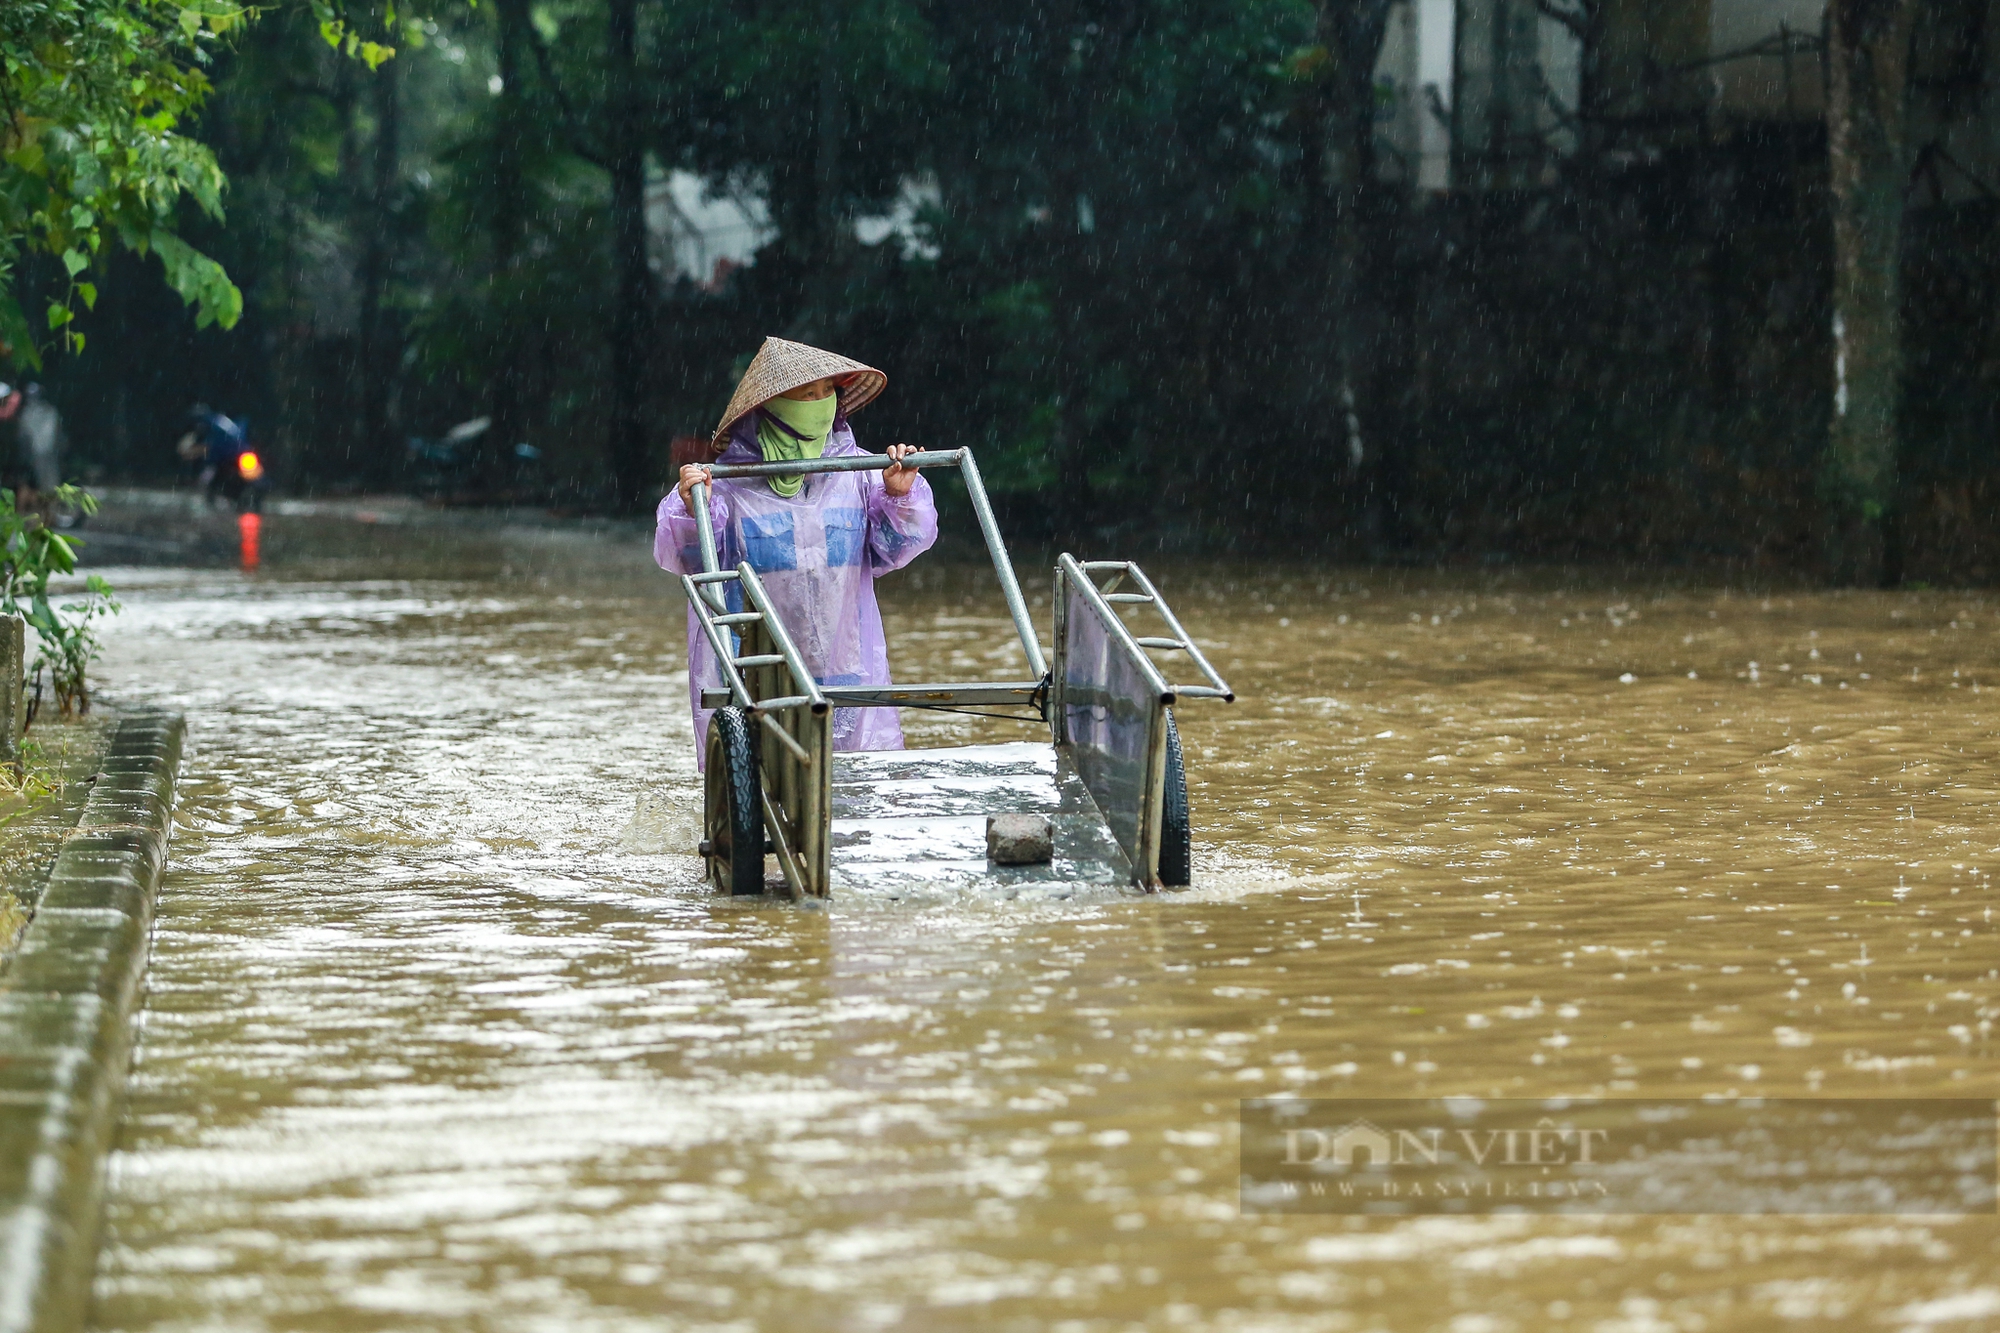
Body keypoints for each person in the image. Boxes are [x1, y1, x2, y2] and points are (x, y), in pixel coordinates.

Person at [655, 336, 938, 765]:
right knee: (765, 786)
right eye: (806, 395)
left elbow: (896, 548)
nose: (820, 403)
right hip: (756, 670)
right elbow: (686, 557)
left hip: (846, 665)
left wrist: (900, 495)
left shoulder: (860, 472)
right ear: (772, 407)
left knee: (854, 788)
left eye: (827, 392)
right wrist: (695, 506)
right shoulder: (726, 486)